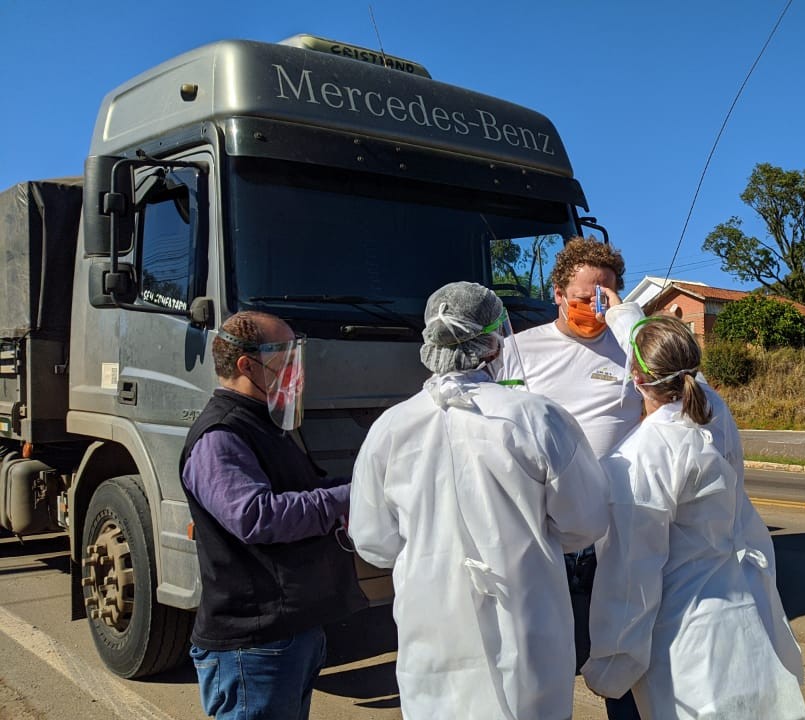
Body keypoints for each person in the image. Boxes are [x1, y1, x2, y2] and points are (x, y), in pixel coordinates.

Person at [348, 281, 610, 719]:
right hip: (525, 619)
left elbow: (374, 541)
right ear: (493, 343)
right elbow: (584, 521)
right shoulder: (537, 417)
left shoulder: (390, 429)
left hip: (433, 626)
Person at [583, 314, 805, 719]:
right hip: (741, 616)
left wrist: (611, 666)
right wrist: (625, 317)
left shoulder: (636, 461)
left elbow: (632, 579)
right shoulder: (715, 418)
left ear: (636, 380)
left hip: (679, 639)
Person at [179, 311, 365, 720]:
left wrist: (367, 477)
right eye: (284, 357)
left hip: (286, 633)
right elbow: (256, 516)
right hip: (254, 644)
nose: (295, 370)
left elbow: (299, 489)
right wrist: (350, 497)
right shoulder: (221, 435)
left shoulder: (263, 423)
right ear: (247, 365)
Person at [494, 236, 645, 719]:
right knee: (544, 661)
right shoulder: (517, 351)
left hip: (617, 530)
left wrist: (632, 327)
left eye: (607, 299)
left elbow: (682, 395)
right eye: (584, 298)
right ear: (556, 294)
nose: (594, 309)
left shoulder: (631, 350)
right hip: (544, 532)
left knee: (624, 659)